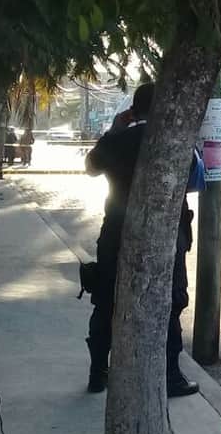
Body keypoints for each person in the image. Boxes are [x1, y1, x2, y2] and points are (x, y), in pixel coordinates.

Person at [83, 83, 200, 397]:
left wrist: (114, 130)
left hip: (117, 231)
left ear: (131, 111)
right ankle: (171, 376)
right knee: (170, 302)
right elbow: (194, 180)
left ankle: (98, 372)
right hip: (166, 235)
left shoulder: (117, 140)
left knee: (107, 300)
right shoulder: (175, 142)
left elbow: (91, 167)